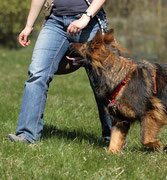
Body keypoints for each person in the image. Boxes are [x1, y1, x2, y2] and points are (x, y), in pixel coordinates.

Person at [6, 0, 112, 144]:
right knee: (37, 73)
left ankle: (113, 139)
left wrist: (85, 17)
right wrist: (29, 25)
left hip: (89, 24)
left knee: (102, 82)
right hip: (55, 23)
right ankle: (27, 135)